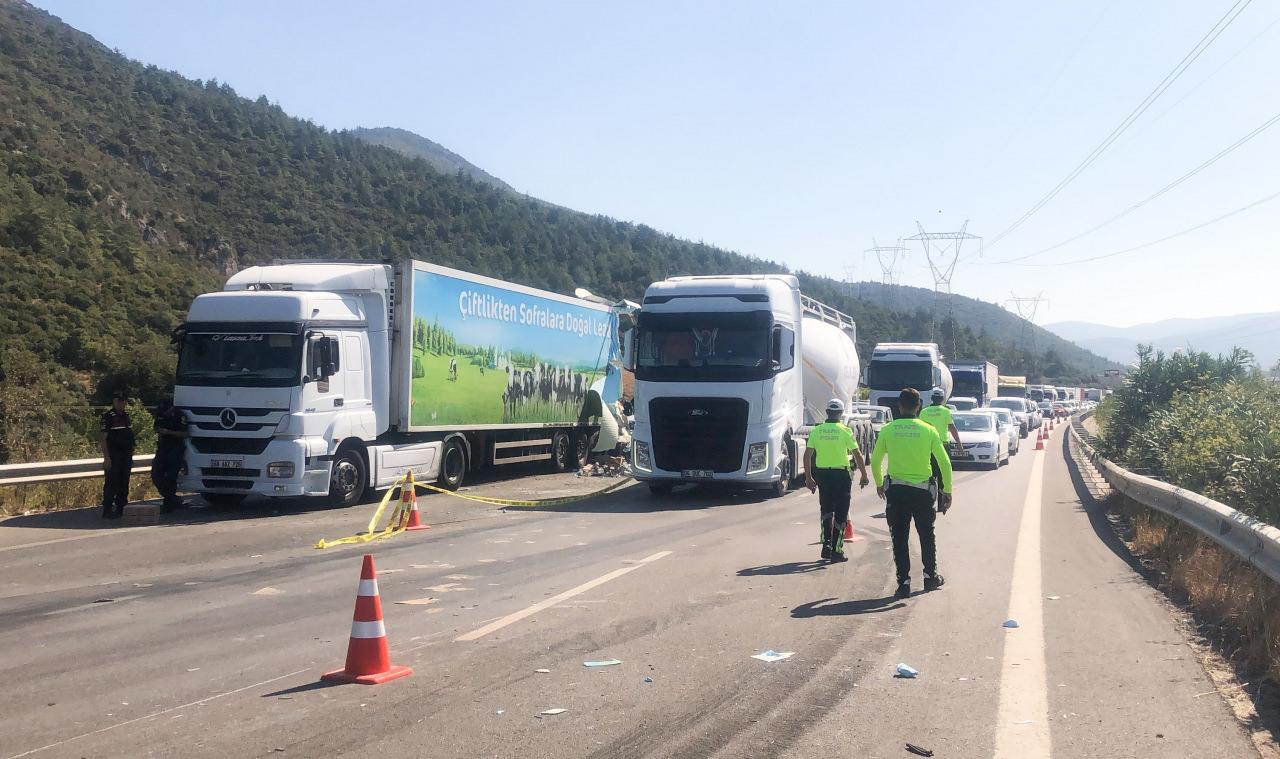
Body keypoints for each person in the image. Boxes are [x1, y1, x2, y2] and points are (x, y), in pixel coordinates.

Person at [869, 388, 954, 599]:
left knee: (899, 537)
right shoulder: (928, 430)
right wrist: (947, 490)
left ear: (899, 406)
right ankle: (930, 577)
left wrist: (879, 483)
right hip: (922, 491)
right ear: (919, 406)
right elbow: (944, 462)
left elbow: (876, 460)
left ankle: (903, 583)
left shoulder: (888, 430)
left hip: (897, 491)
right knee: (926, 534)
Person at [804, 398, 871, 563]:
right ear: (840, 413)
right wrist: (864, 475)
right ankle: (836, 550)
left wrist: (809, 477)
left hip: (822, 475)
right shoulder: (845, 431)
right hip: (841, 475)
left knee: (826, 509)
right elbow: (857, 454)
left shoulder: (817, 431)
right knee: (841, 512)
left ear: (827, 412)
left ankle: (826, 545)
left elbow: (807, 456)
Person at [919, 389, 961, 507]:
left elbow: (920, 429)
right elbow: (952, 428)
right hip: (943, 445)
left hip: (927, 447)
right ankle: (942, 503)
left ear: (932, 398)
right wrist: (959, 444)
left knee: (929, 474)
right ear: (942, 399)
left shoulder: (924, 411)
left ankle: (928, 502)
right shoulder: (945, 411)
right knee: (943, 474)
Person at [100, 390, 136, 519]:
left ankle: (121, 508)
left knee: (124, 482)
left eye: (123, 401)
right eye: (118, 401)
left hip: (126, 455)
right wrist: (106, 457)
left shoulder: (126, 416)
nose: (121, 403)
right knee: (111, 483)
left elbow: (129, 436)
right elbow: (103, 438)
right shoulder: (108, 416)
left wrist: (131, 454)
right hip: (114, 455)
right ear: (114, 402)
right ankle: (107, 510)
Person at [151, 398, 189, 512]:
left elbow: (186, 433)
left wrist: (169, 432)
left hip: (175, 449)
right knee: (156, 474)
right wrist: (159, 430)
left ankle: (169, 504)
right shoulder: (160, 414)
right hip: (162, 448)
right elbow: (156, 427)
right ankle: (172, 499)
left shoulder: (179, 415)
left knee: (171, 478)